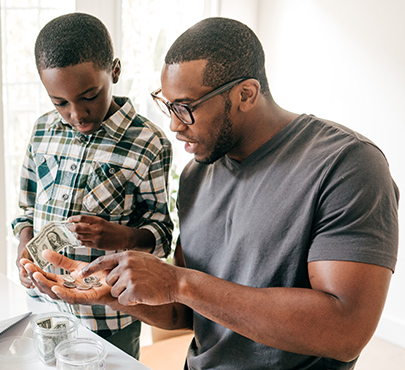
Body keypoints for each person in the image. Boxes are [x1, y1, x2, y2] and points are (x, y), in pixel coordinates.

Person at [21, 17, 399, 369]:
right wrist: (113, 292)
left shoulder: (347, 165)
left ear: (246, 94)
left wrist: (177, 281)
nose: (173, 125)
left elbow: (344, 332)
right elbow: (185, 312)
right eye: (167, 106)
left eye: (185, 108)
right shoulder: (195, 175)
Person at [11, 13, 173, 359]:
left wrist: (122, 237)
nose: (77, 114)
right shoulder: (42, 131)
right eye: (60, 103)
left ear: (114, 71)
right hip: (45, 306)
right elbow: (25, 209)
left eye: (89, 96)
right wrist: (25, 248)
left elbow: (161, 233)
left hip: (110, 316)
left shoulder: (148, 143)